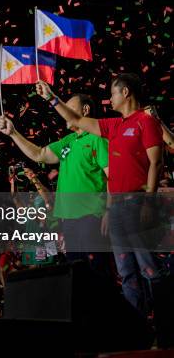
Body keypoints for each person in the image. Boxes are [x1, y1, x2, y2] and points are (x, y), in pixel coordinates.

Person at [35, 74, 172, 347]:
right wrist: (51, 97)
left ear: (126, 92)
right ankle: (138, 334)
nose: (110, 98)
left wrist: (149, 201)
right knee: (127, 273)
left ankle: (167, 331)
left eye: (113, 93)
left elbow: (156, 164)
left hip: (138, 204)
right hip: (119, 208)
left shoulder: (146, 122)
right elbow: (75, 121)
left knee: (150, 270)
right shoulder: (114, 126)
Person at [0, 94, 111, 276]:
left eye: (69, 108)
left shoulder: (97, 138)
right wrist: (13, 133)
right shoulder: (69, 141)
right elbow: (40, 154)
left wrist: (109, 210)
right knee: (77, 276)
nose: (63, 113)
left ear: (85, 110)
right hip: (68, 220)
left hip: (92, 217)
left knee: (98, 274)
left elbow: (111, 176)